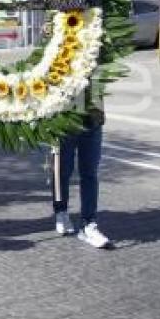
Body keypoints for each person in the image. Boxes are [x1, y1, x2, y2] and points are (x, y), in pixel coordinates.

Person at [52, 81, 113, 249]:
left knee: (90, 172)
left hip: (92, 119)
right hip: (64, 120)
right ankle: (61, 211)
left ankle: (88, 224)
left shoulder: (96, 56)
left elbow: (103, 74)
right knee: (63, 170)